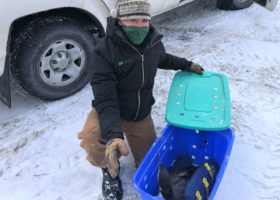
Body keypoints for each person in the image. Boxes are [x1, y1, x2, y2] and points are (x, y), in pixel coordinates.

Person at [77, 0, 204, 199]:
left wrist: (187, 64)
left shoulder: (153, 42)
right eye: (133, 20)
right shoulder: (103, 52)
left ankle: (128, 143)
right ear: (120, 21)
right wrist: (114, 135)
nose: (140, 26)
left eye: (144, 20)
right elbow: (106, 99)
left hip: (139, 113)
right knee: (93, 141)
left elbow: (163, 58)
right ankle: (110, 171)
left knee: (149, 166)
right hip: (112, 110)